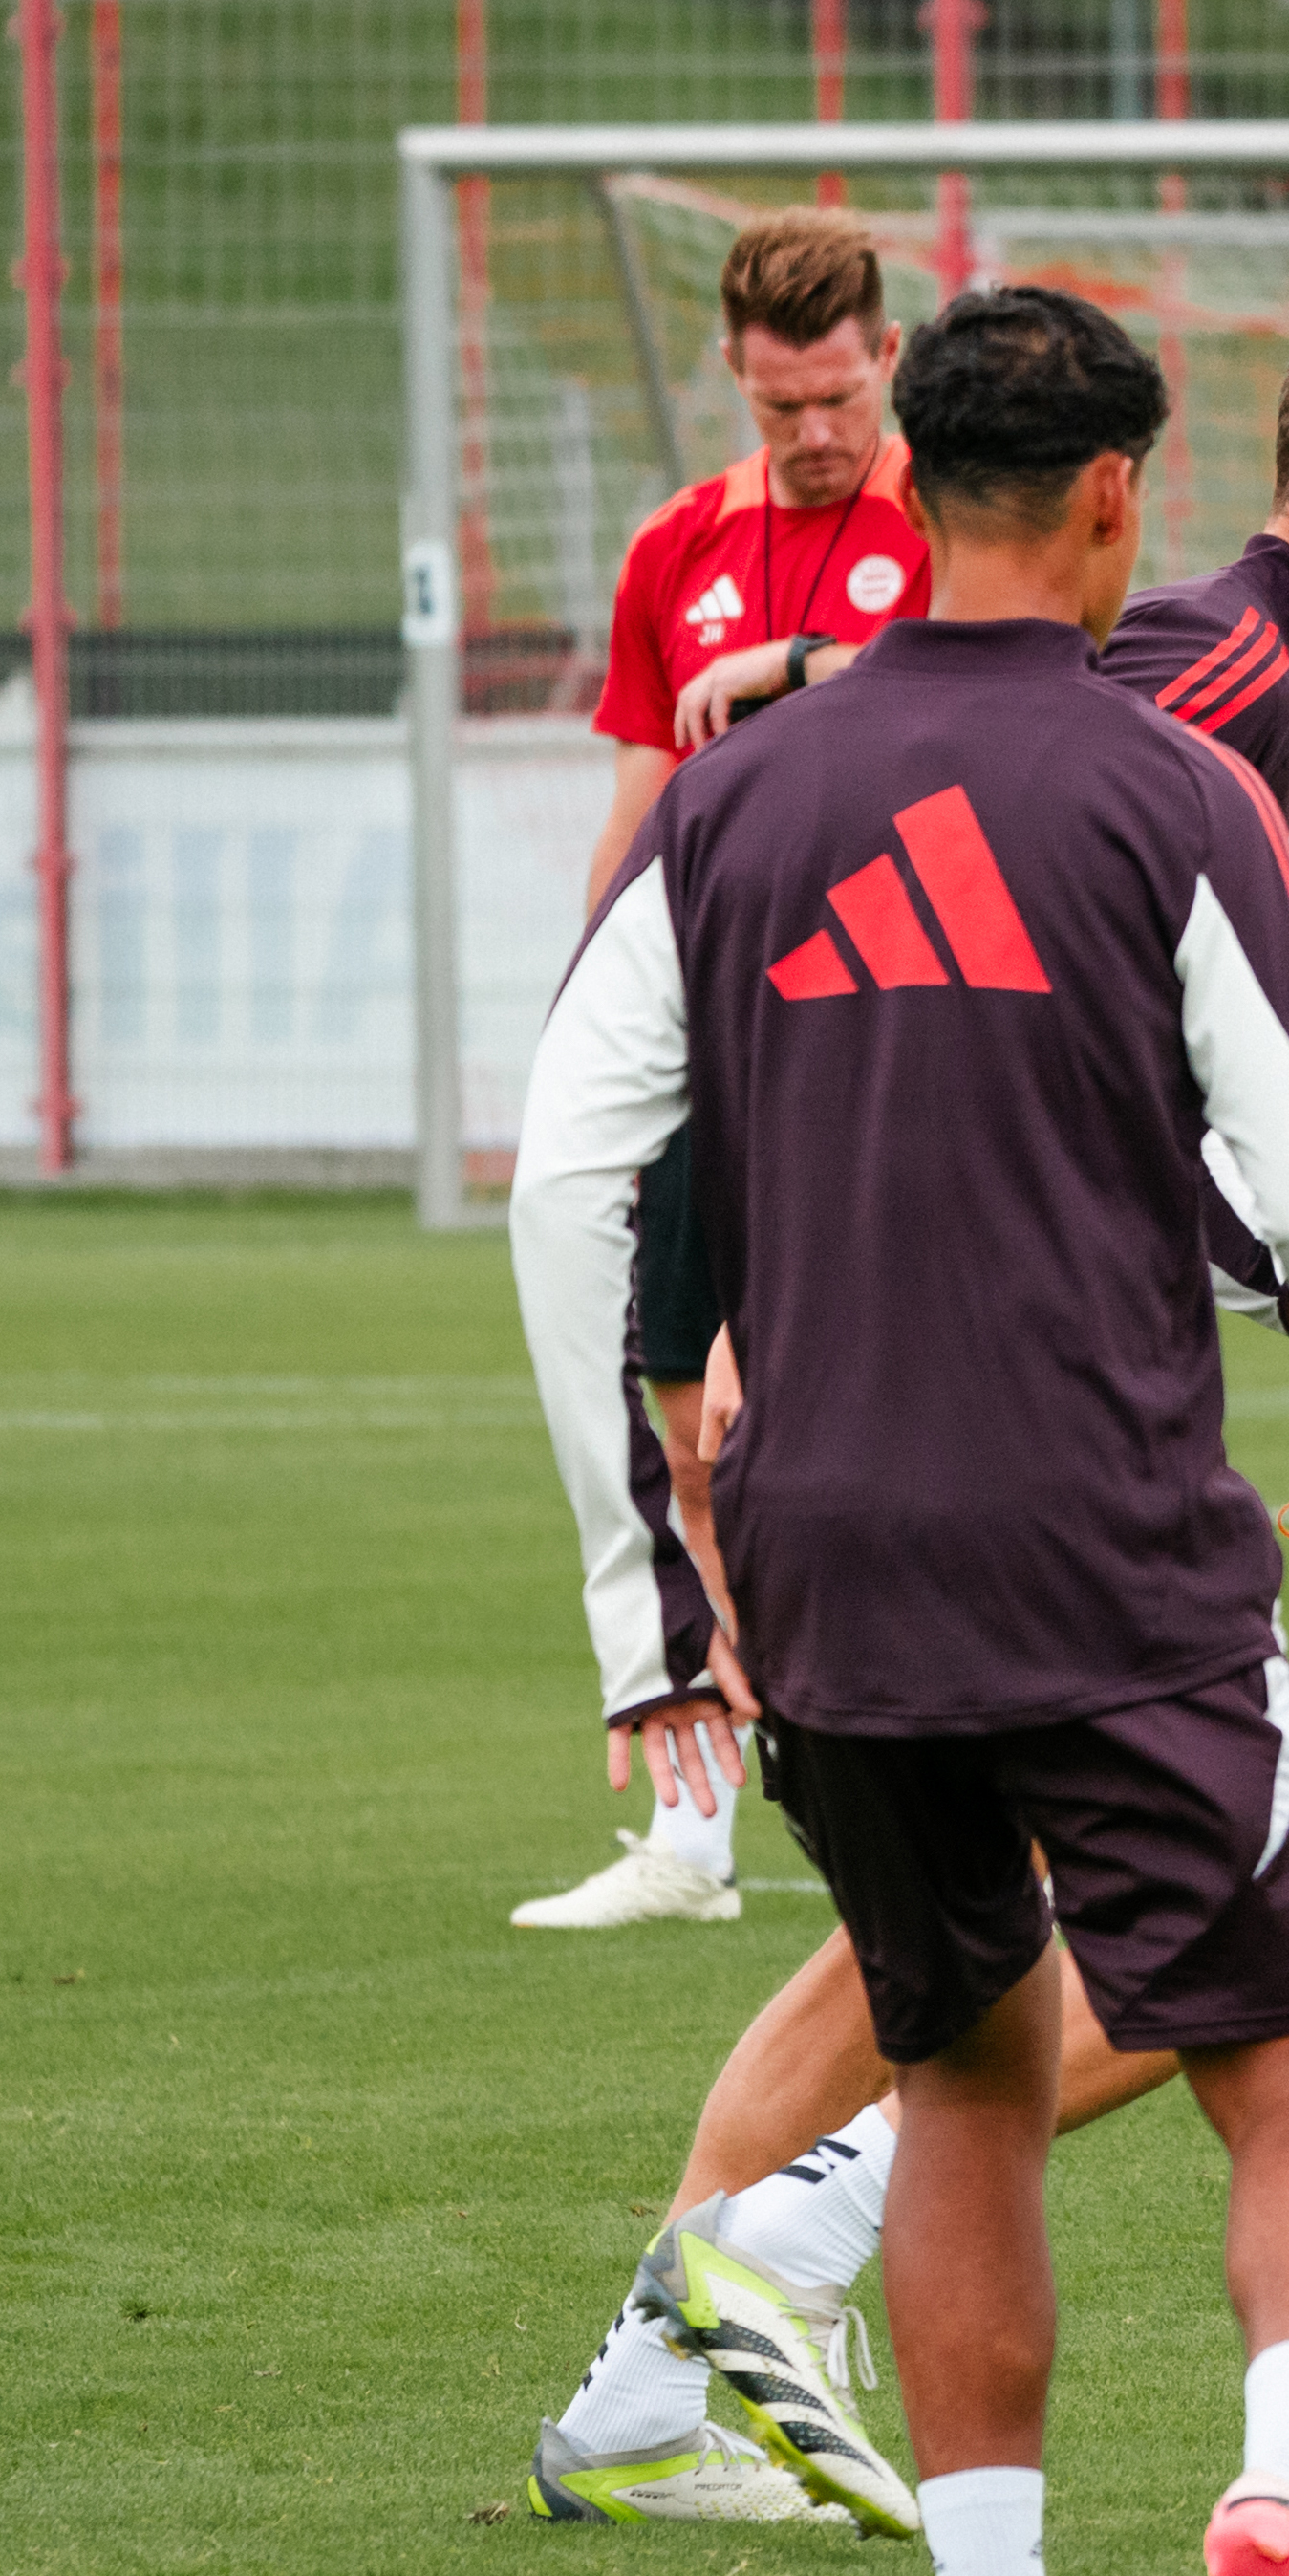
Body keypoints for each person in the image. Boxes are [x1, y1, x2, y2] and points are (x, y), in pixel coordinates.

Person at [511, 280, 1289, 2576]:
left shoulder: (743, 799)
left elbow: (562, 1155)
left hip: (819, 1523)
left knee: (961, 2046)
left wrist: (650, 1578)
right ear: (1103, 503)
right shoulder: (1173, 750)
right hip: (1087, 1505)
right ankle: (1287, 2488)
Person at [519, 206, 935, 1932]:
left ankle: (929, 1786)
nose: (816, 434)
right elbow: (640, 799)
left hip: (891, 1039)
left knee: (859, 1432)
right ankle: (697, 1836)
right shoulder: (675, 547)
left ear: (887, 360)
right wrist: (580, 1020)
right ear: (734, 380)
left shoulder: (947, 526)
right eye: (781, 410)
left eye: (838, 396)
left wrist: (802, 668)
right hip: (704, 1026)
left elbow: (1015, 690)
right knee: (688, 1430)